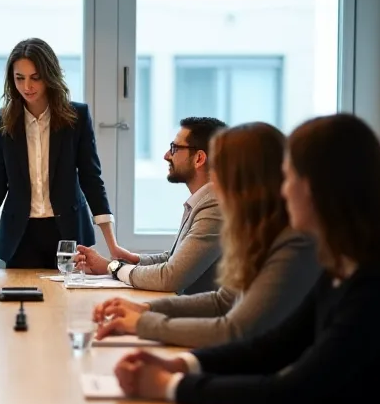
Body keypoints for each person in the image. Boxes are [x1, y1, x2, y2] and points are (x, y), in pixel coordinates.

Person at [112, 114, 380, 404]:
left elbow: (288, 389)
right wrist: (184, 365)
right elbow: (273, 347)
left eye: (289, 177)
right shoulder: (342, 268)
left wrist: (169, 387)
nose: (283, 189)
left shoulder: (378, 287)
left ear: (319, 190)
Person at [91, 122, 321, 347]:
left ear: (246, 179)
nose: (213, 181)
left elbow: (234, 330)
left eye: (220, 168)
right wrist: (147, 309)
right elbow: (223, 302)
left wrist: (143, 323)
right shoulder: (259, 232)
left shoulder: (292, 243)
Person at [0, 37, 125, 268]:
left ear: (49, 76)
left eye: (35, 78)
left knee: (69, 301)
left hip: (67, 234)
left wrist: (112, 245)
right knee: (18, 301)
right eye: (20, 78)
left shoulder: (76, 117)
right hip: (20, 236)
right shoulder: (1, 122)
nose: (27, 86)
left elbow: (91, 180)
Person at [75, 117, 226, 294]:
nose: (166, 155)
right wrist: (131, 260)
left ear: (199, 158)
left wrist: (114, 268)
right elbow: (173, 259)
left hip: (201, 318)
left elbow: (171, 277)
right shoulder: (204, 200)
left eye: (175, 148)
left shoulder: (215, 208)